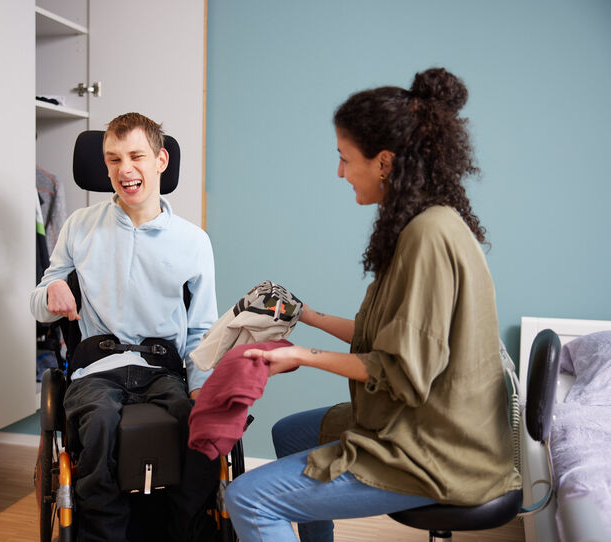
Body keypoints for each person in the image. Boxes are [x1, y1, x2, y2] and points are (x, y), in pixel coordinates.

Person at [223, 68, 521, 542]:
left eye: (345, 158)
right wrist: (307, 316)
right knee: (290, 434)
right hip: (432, 424)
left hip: (439, 451)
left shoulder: (427, 236)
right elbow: (380, 336)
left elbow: (401, 369)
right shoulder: (423, 223)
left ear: (384, 162)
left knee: (247, 497)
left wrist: (301, 356)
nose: (339, 172)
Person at [30, 112, 219, 542]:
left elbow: (202, 330)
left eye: (135, 156)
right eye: (113, 159)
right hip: (97, 369)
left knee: (199, 428)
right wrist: (53, 291)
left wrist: (200, 388)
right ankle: (103, 535)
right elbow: (38, 305)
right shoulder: (80, 227)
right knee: (96, 423)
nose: (124, 169)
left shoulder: (193, 241)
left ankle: (183, 531)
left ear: (160, 160)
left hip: (162, 371)